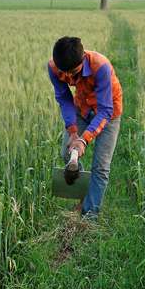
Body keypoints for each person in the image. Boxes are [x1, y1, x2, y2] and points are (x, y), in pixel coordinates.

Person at [48, 36, 123, 219]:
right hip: (82, 108)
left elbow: (105, 110)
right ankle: (83, 195)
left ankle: (89, 216)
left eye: (74, 72)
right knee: (67, 153)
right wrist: (73, 132)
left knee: (101, 167)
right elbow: (64, 99)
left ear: (82, 59)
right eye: (65, 73)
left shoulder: (101, 67)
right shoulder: (53, 68)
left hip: (109, 113)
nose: (70, 78)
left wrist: (83, 140)